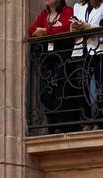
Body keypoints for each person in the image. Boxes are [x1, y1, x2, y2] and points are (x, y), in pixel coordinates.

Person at [69, 0, 103, 129]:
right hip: (80, 50)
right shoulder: (78, 6)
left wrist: (89, 27)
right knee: (82, 85)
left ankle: (102, 121)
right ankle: (87, 120)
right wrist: (75, 27)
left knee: (102, 85)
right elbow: (72, 29)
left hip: (100, 50)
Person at [29, 0, 77, 132]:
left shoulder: (67, 11)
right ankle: (53, 124)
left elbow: (67, 27)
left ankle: (64, 126)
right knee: (45, 92)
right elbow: (32, 31)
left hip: (62, 55)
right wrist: (53, 29)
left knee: (61, 89)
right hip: (47, 58)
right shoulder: (44, 14)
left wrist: (45, 31)